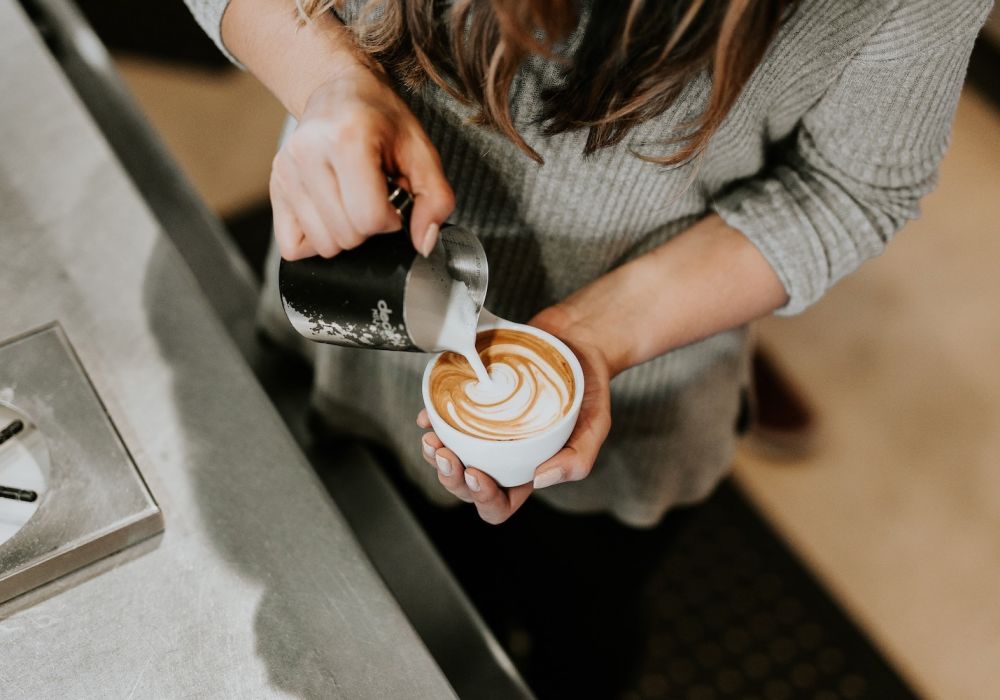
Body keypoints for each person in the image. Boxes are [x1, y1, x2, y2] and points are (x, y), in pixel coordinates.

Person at [184, 0, 990, 526]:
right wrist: (327, 81)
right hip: (349, 330)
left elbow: (851, 187)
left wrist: (603, 334)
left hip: (636, 412)